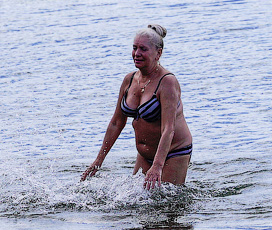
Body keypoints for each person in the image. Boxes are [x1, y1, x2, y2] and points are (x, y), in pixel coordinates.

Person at [81, 25, 192, 189]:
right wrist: (98, 161)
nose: (137, 53)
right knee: (136, 205)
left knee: (166, 207)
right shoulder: (129, 80)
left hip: (173, 153)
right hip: (145, 154)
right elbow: (116, 123)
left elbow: (168, 128)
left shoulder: (167, 82)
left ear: (158, 53)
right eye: (134, 48)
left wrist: (158, 166)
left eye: (143, 49)